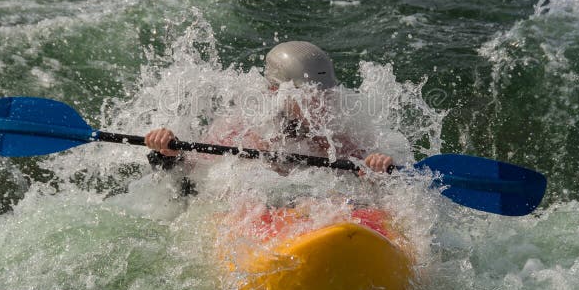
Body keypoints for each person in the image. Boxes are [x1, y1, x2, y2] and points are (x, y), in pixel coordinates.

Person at [145, 41, 395, 179]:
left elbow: (365, 168)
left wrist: (376, 168)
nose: (320, 103)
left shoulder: (331, 135)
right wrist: (168, 150)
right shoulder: (241, 130)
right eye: (309, 95)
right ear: (277, 92)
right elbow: (189, 171)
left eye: (325, 93)